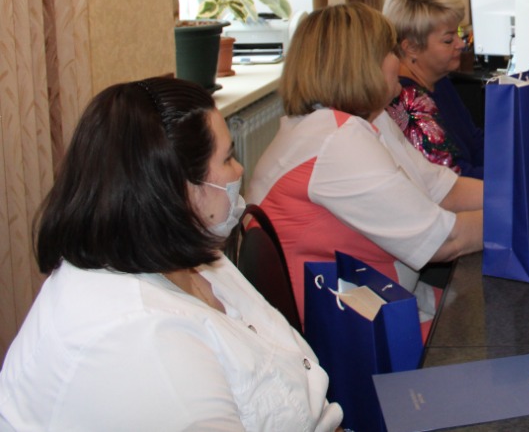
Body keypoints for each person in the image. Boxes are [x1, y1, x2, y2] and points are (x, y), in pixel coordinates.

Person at [0, 78, 342, 431]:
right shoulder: (144, 343)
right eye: (227, 158)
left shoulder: (182, 257)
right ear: (177, 190)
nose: (239, 170)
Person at [246, 2, 483, 324]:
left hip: (381, 301)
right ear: (363, 65)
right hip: (350, 326)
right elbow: (444, 240)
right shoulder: (337, 142)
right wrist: (528, 214)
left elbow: (445, 190)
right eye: (390, 52)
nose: (399, 61)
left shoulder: (361, 120)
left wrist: (524, 197)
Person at [383, 0, 484, 179]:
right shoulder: (406, 101)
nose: (461, 44)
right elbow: (451, 177)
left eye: (458, 33)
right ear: (411, 47)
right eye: (448, 40)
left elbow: (475, 141)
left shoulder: (439, 81)